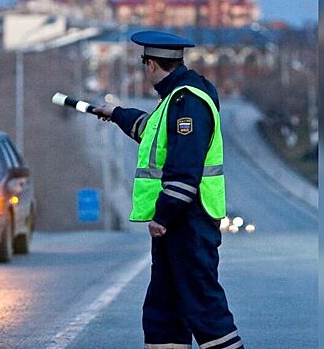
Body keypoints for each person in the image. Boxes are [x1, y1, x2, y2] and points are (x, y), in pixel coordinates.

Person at [93, 31, 243, 349]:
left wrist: (163, 216)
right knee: (165, 311)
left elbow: (184, 167)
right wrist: (116, 113)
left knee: (203, 307)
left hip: (189, 221)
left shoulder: (188, 101)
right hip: (180, 224)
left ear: (150, 64)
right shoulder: (175, 99)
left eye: (143, 63)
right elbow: (152, 132)